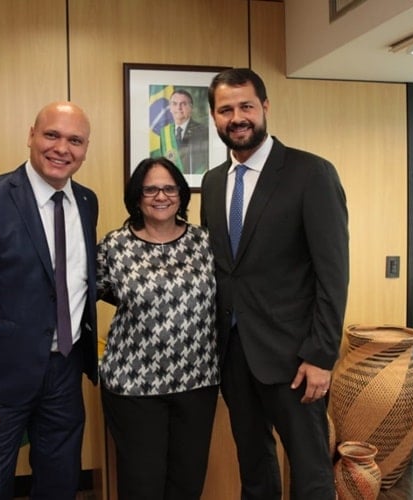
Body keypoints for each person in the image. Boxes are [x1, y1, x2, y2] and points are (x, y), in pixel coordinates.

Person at [0, 101, 99, 500]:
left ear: (85, 148)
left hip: (64, 370)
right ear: (31, 136)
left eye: (75, 140)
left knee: (61, 482)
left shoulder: (88, 201)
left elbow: (75, 281)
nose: (62, 148)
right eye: (52, 135)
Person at [200, 68, 349, 499]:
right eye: (226, 109)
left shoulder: (310, 173)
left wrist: (321, 356)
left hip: (295, 360)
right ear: (214, 117)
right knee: (254, 467)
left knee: (311, 471)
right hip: (233, 355)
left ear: (264, 107)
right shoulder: (212, 183)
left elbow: (333, 273)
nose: (237, 117)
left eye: (246, 106)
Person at [97, 156, 219, 500]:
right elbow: (86, 298)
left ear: (181, 195)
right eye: (150, 189)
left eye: (169, 188)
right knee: (142, 485)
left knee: (187, 482)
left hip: (197, 382)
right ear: (137, 196)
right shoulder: (115, 246)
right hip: (134, 387)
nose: (160, 196)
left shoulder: (205, 243)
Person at [169, 89, 210, 175]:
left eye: (183, 104)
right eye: (174, 104)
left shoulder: (204, 132)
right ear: (170, 108)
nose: (178, 108)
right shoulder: (164, 133)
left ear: (191, 108)